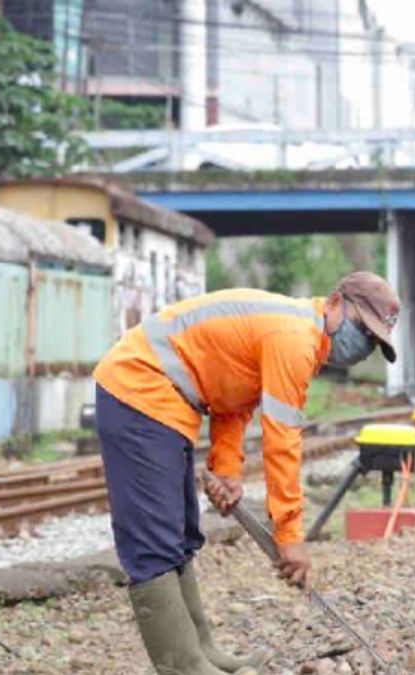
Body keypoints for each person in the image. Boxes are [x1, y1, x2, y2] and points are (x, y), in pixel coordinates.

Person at [93, 272, 399, 675]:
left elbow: (234, 397)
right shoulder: (294, 337)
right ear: (336, 302)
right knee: (154, 539)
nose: (362, 347)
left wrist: (227, 469)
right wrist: (289, 537)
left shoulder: (298, 335)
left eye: (373, 343)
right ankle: (183, 666)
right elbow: (282, 441)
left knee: (180, 531)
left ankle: (203, 651)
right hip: (139, 389)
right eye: (362, 329)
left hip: (168, 402)